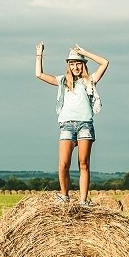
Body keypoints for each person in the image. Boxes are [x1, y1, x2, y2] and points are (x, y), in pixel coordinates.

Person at [35, 42, 109, 206]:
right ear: (68, 65)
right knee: (63, 164)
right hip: (67, 125)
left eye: (78, 63)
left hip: (85, 125)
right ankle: (64, 196)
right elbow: (39, 74)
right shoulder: (62, 81)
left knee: (83, 163)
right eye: (72, 63)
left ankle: (83, 201)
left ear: (83, 65)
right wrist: (39, 54)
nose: (75, 67)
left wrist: (85, 53)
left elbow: (105, 63)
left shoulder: (90, 81)